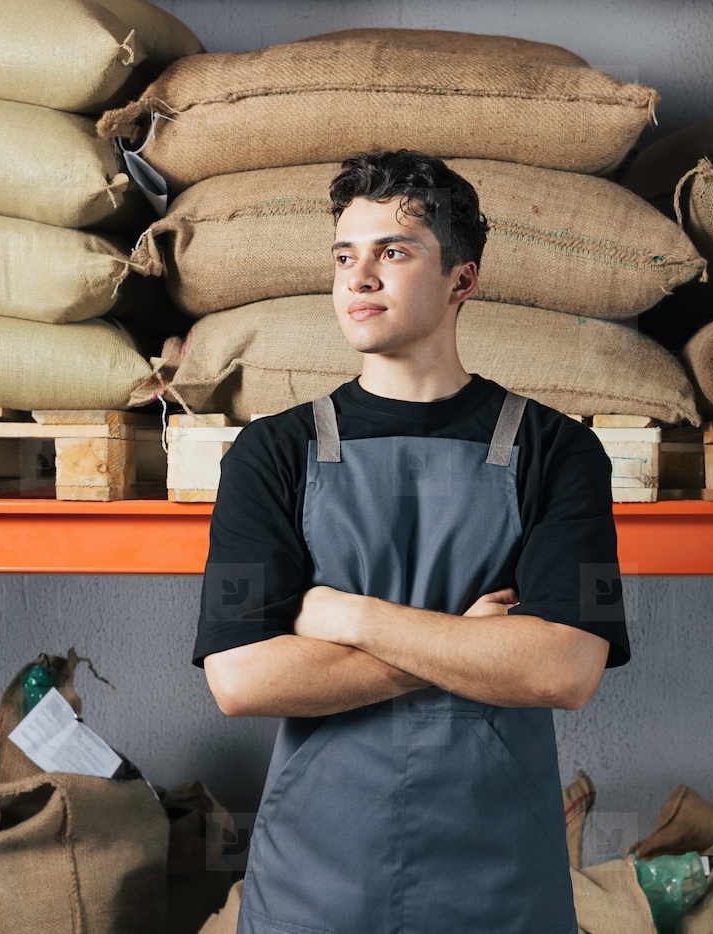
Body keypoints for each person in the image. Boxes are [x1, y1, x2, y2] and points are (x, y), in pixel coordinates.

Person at [195, 149, 630, 934]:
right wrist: (469, 646)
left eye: (393, 253)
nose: (358, 278)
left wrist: (354, 619)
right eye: (344, 256)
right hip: (314, 890)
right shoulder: (272, 454)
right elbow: (243, 681)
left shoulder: (559, 452)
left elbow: (564, 667)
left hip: (503, 887)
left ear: (462, 280)